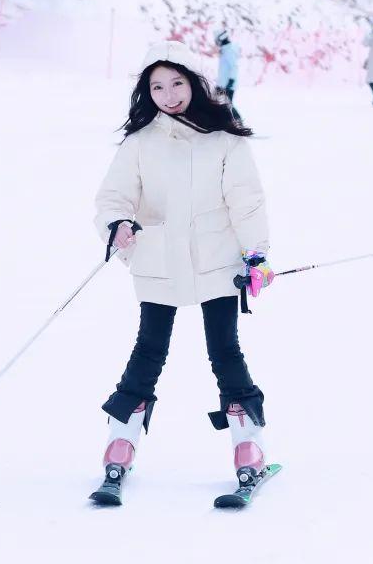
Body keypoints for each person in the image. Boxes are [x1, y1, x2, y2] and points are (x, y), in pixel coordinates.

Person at [89, 40, 275, 505]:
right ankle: (120, 443)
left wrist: (256, 254)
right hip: (160, 262)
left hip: (217, 261)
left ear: (194, 82)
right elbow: (114, 198)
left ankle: (246, 446)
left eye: (176, 83)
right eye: (156, 87)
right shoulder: (139, 144)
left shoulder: (226, 141)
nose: (168, 94)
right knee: (149, 350)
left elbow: (246, 200)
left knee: (224, 349)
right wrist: (119, 225)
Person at [214, 29, 239, 103]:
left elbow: (234, 66)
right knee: (216, 105)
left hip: (227, 85)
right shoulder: (225, 49)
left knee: (227, 107)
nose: (216, 42)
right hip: (221, 84)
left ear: (220, 38)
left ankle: (236, 115)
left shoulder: (229, 50)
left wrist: (231, 81)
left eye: (217, 40)